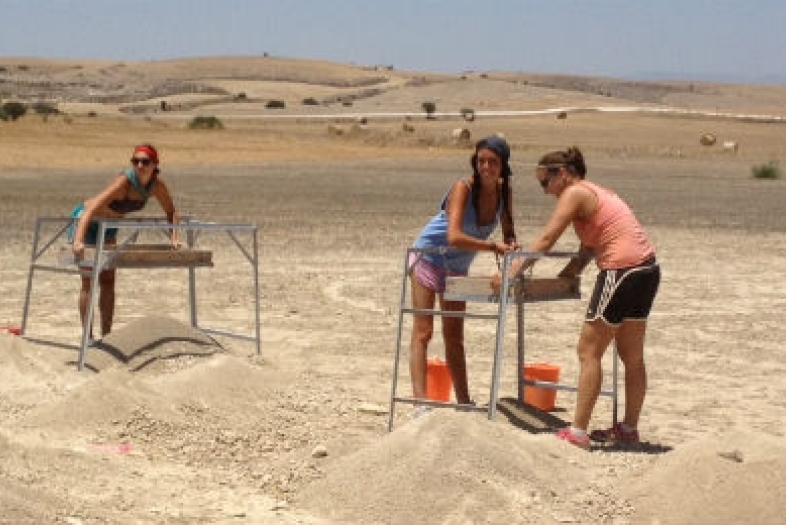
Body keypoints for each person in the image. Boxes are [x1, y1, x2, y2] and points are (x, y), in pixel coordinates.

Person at [509, 146, 660, 449]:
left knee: (588, 352)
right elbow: (591, 246)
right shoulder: (596, 192)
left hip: (621, 271)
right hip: (646, 269)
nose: (545, 191)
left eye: (545, 182)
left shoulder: (575, 193)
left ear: (562, 174)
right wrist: (570, 271)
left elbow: (547, 238)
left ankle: (577, 432)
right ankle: (629, 428)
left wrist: (511, 272)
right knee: (632, 356)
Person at [409, 136, 518, 407]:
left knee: (454, 336)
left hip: (456, 269)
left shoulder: (504, 192)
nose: (486, 167)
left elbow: (509, 231)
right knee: (423, 331)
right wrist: (493, 246)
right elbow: (454, 236)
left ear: (503, 166)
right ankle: (420, 403)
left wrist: (511, 246)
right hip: (428, 257)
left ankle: (464, 400)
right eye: (481, 161)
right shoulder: (463, 188)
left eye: (492, 162)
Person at [68, 143, 179, 341]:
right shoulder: (124, 181)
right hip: (88, 222)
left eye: (145, 161)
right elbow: (90, 209)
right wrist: (77, 241)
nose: (139, 165)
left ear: (155, 164)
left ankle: (107, 336)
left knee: (109, 281)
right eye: (135, 161)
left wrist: (175, 237)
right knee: (89, 281)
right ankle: (88, 338)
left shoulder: (156, 186)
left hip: (109, 226)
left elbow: (171, 211)